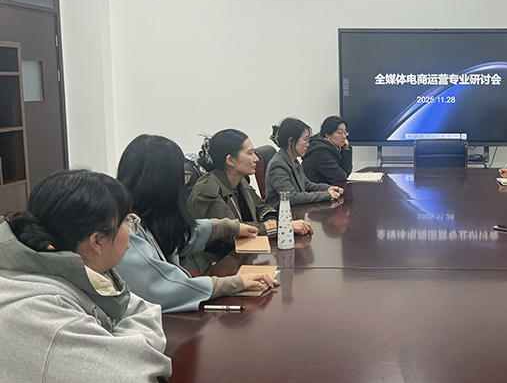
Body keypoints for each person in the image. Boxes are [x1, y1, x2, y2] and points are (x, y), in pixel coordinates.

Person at [0, 170, 172, 383]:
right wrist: (136, 349)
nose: (131, 231)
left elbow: (138, 306)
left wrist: (128, 345)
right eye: (127, 222)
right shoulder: (38, 309)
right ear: (97, 241)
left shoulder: (68, 272)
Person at [116, 135, 277, 313]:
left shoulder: (148, 216)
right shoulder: (126, 230)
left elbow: (180, 233)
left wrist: (229, 226)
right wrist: (237, 283)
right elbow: (164, 288)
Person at [186, 129, 312, 272]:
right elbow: (233, 231)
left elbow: (262, 207)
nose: (256, 158)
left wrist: (272, 220)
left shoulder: (240, 181)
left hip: (243, 255)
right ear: (231, 160)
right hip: (216, 265)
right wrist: (282, 227)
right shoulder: (207, 191)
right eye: (250, 153)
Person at [265, 118, 344, 209]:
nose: (308, 144)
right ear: (290, 141)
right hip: (282, 214)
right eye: (305, 139)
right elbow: (292, 197)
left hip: (297, 211)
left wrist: (327, 188)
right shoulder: (278, 165)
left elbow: (307, 185)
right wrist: (326, 195)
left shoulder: (294, 160)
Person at [302, 116, 353, 184]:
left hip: (327, 188)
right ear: (327, 135)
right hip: (316, 189)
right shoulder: (320, 152)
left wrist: (346, 149)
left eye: (345, 133)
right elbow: (340, 176)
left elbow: (346, 172)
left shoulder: (332, 148)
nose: (344, 137)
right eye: (340, 133)